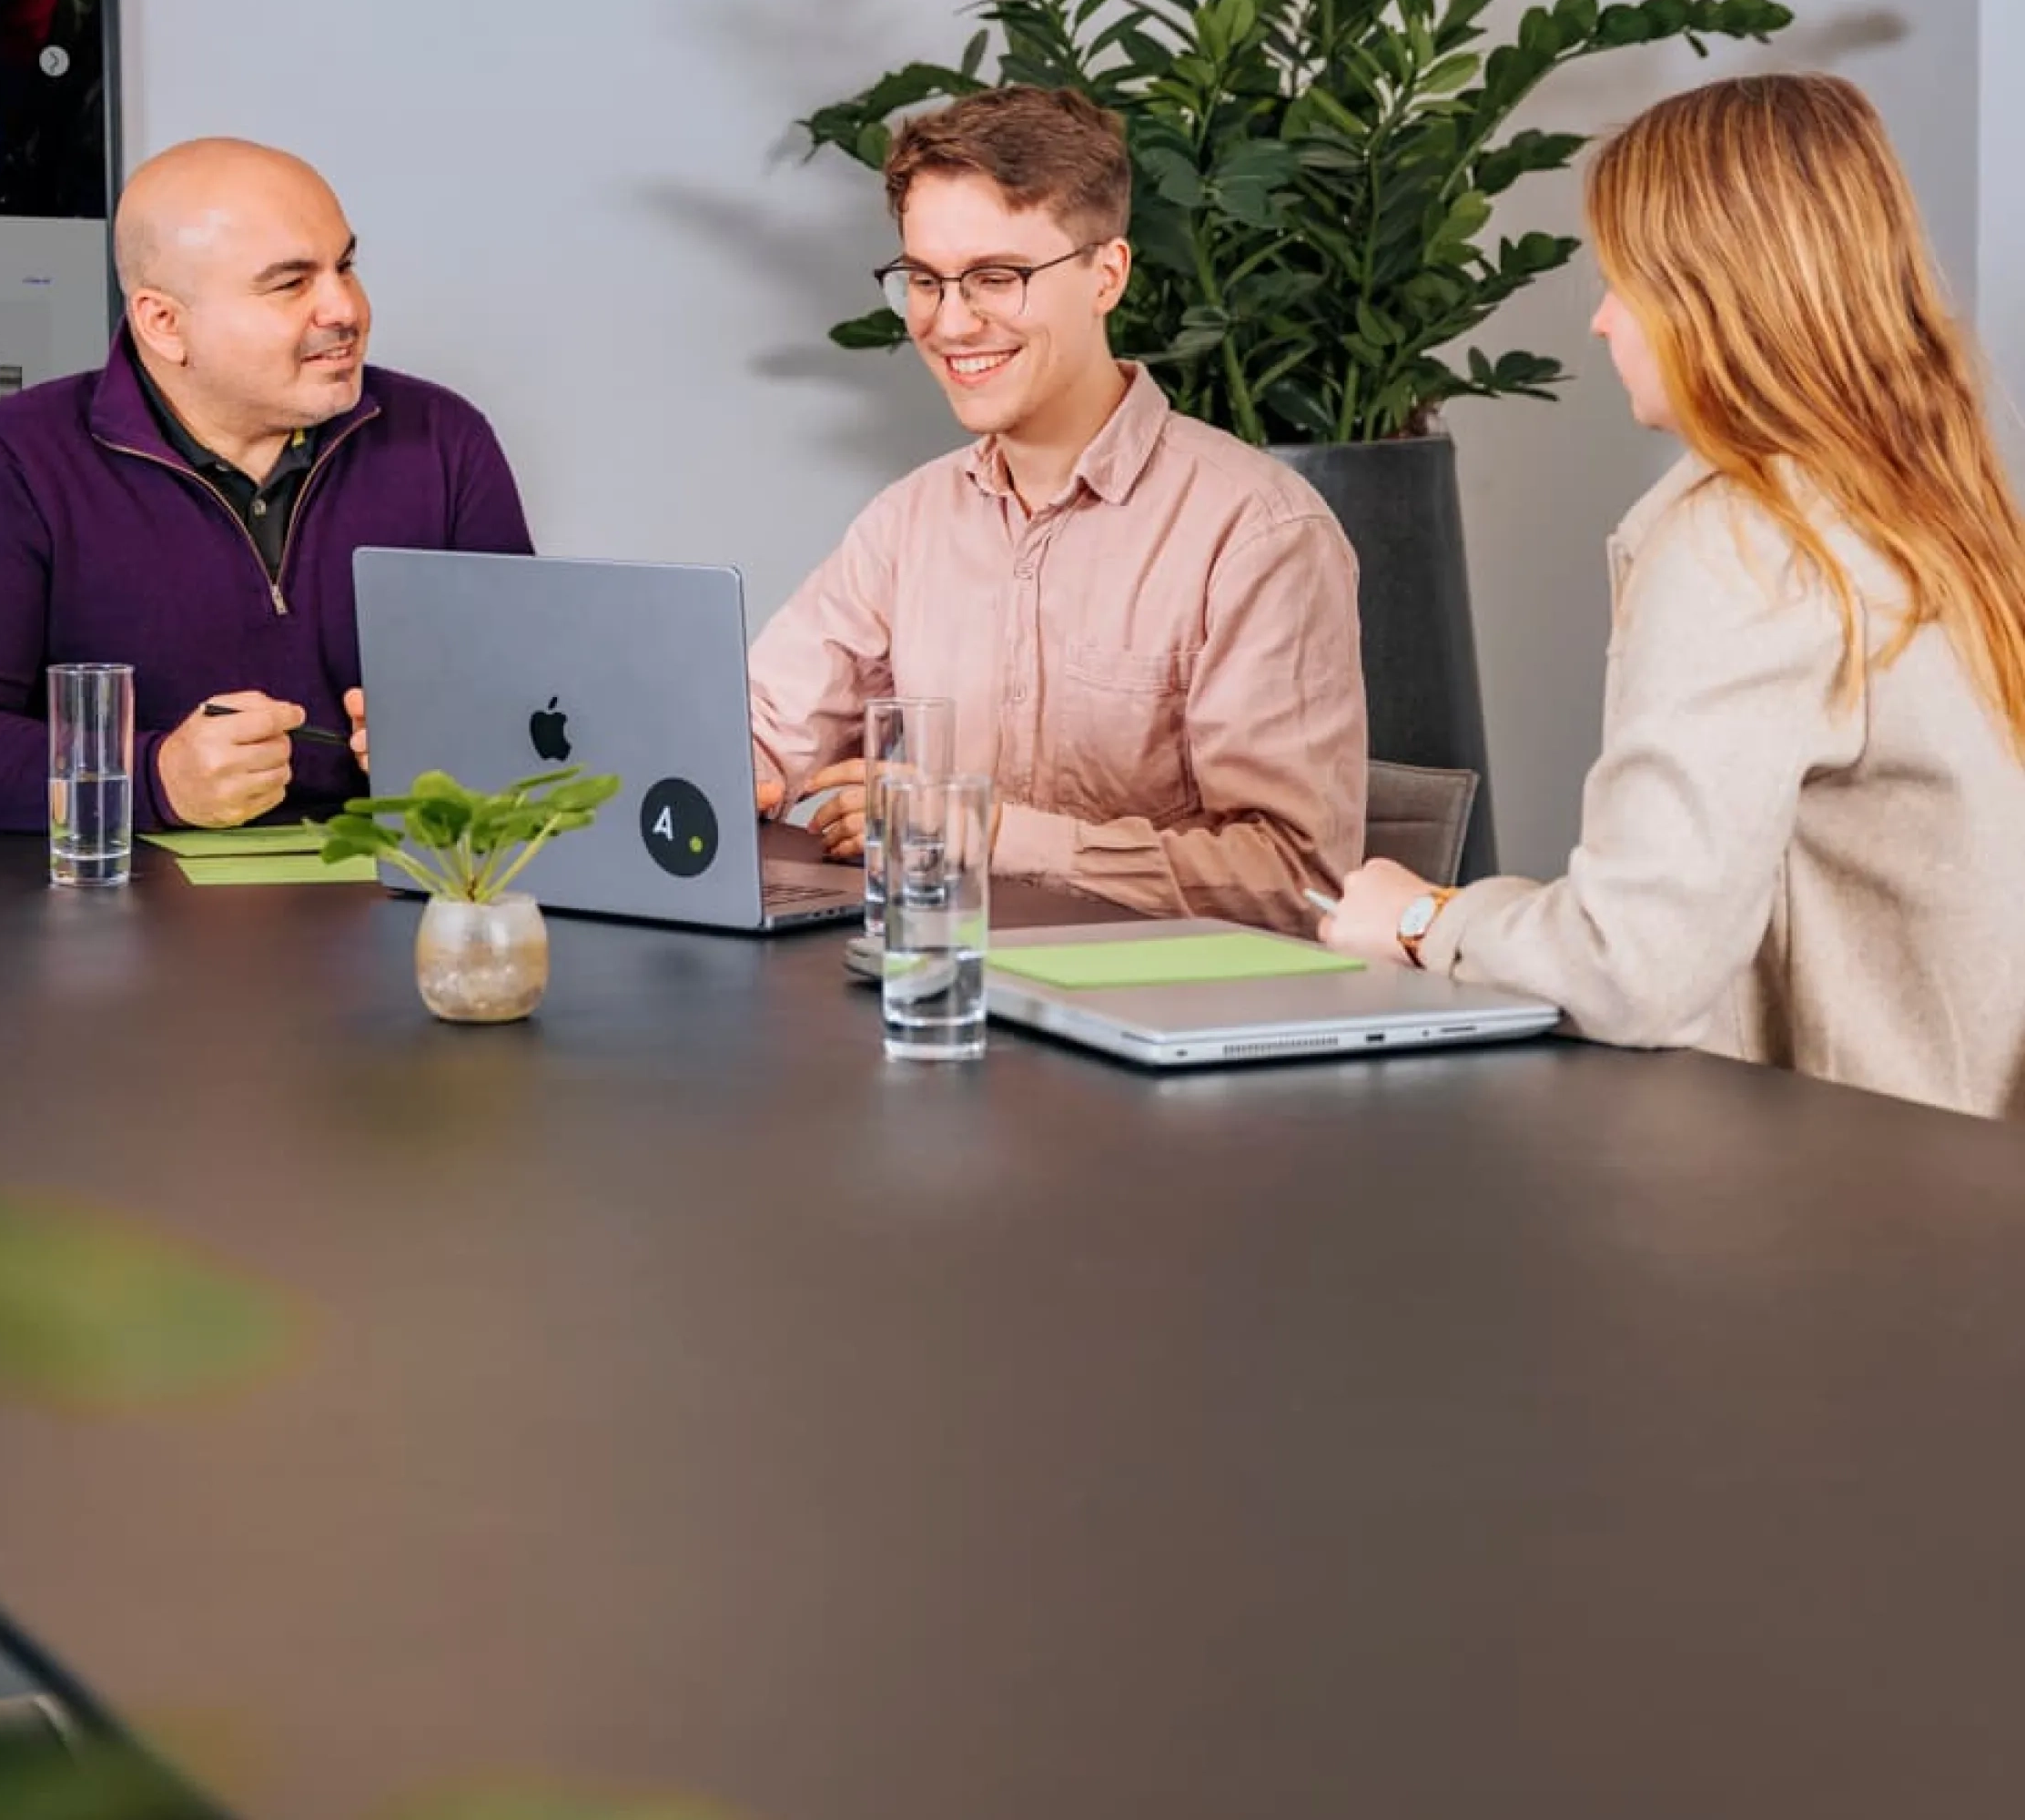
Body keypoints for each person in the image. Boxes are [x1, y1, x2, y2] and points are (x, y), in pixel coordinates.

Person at [1323, 72, 2025, 1120]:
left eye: (1625, 283)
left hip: (1856, 1205)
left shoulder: (1750, 538)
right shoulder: (1933, 511)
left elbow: (1631, 962)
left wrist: (1429, 916)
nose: (1604, 322)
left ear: (1718, 298)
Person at [748, 86, 1366, 929]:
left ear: (1106, 275)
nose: (951, 322)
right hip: (941, 1002)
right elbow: (763, 729)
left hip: (1156, 1027)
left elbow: (1300, 879)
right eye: (924, 281)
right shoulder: (907, 524)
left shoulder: (1256, 533)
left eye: (996, 278)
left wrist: (989, 831)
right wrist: (719, 762)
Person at [0, 136, 531, 833]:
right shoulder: (0, 469)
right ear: (164, 323)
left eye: (346, 265)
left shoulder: (443, 439)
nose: (345, 309)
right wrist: (154, 778)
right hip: (109, 916)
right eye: (290, 283)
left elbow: (536, 699)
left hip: (392, 899)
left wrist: (461, 746)